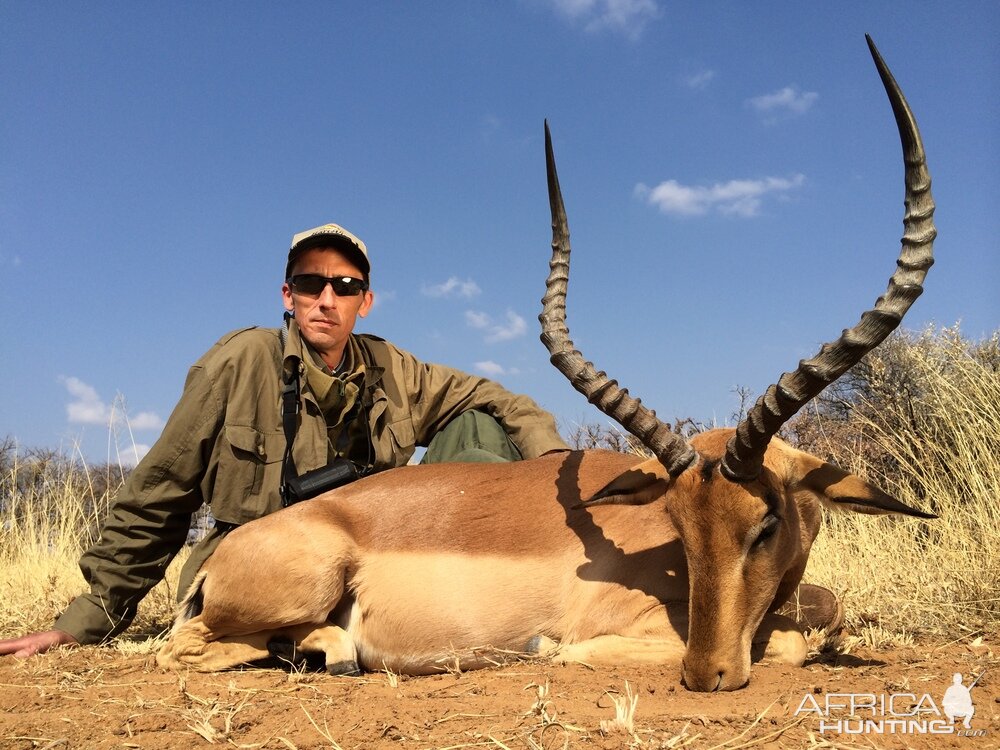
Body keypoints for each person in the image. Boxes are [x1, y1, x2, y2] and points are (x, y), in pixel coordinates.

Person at [0, 222, 569, 658]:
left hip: (362, 573)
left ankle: (481, 611)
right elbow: (161, 492)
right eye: (310, 283)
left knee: (479, 430)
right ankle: (328, 638)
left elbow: (502, 399)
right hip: (262, 579)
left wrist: (557, 470)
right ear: (287, 294)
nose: (327, 299)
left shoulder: (394, 370)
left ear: (364, 301)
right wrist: (83, 622)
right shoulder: (241, 361)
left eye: (345, 286)